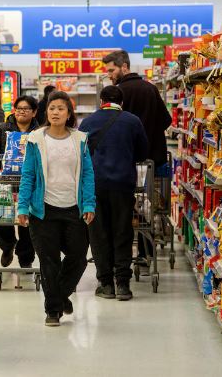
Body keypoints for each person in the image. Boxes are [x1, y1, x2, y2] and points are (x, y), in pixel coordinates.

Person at [17, 91, 95, 327]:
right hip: (44, 210)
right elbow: (28, 174)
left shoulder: (80, 139)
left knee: (79, 258)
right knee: (49, 261)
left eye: (61, 108)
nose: (56, 112)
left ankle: (60, 296)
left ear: (69, 113)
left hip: (74, 208)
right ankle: (53, 310)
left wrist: (89, 202)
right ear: (46, 112)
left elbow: (88, 174)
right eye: (52, 108)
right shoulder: (36, 139)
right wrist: (22, 205)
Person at [79, 85, 148, 301]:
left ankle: (106, 284)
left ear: (101, 101)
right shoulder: (132, 121)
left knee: (98, 234)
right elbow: (142, 152)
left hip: (95, 185)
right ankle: (123, 284)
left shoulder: (88, 122)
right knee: (122, 232)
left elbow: (81, 153)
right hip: (123, 184)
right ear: (122, 102)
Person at [103, 50, 172, 261]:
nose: (109, 75)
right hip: (154, 160)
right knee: (149, 207)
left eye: (111, 70)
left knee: (129, 207)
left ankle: (127, 253)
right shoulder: (151, 89)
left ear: (124, 67)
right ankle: (146, 251)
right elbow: (167, 120)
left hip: (129, 162)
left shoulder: (118, 93)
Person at [0, 95, 39, 268]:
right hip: (6, 181)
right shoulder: (2, 128)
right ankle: (8, 246)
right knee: (0, 218)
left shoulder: (39, 132)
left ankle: (26, 259)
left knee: (28, 224)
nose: (21, 112)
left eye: (26, 109)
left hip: (31, 183)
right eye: (19, 108)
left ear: (34, 112)